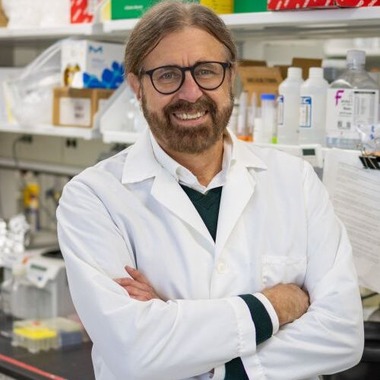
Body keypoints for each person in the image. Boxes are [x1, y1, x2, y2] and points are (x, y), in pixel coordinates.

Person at [56, 1, 364, 379]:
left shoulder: (295, 181)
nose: (191, 93)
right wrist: (273, 305)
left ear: (230, 75)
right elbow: (133, 350)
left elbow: (342, 335)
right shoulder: (93, 198)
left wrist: (184, 339)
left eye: (206, 71)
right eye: (168, 75)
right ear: (137, 85)